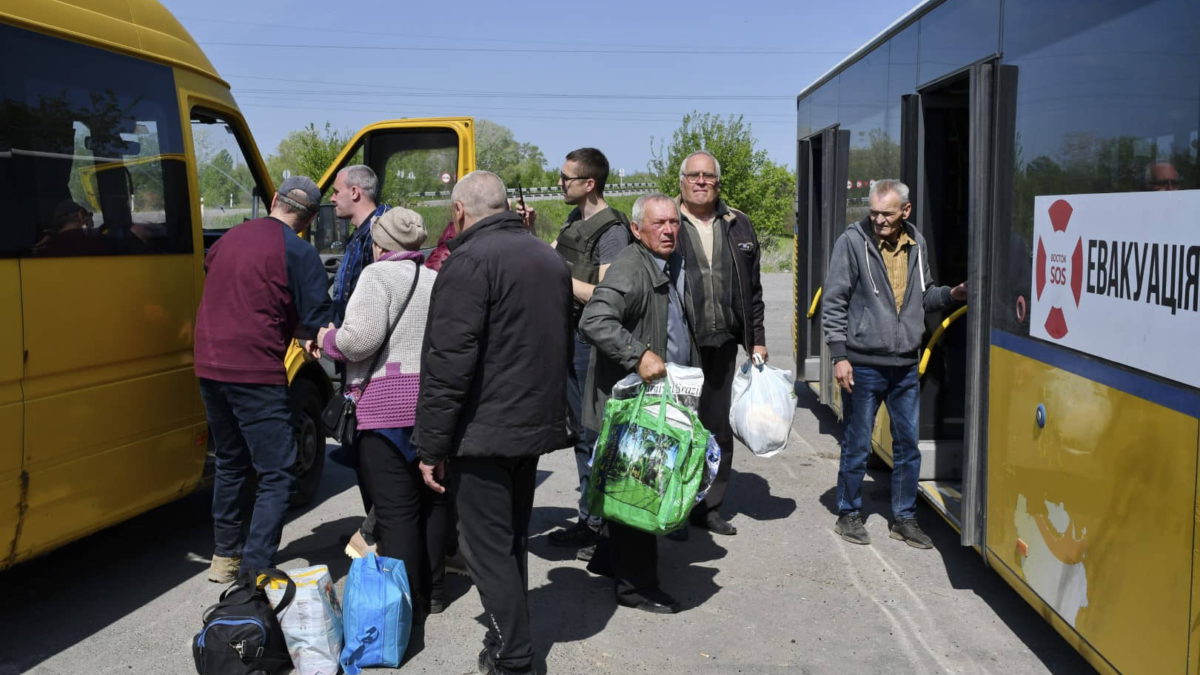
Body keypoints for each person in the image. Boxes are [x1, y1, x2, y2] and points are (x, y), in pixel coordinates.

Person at [414, 170, 572, 675]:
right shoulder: (547, 258)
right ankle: (513, 638)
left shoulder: (470, 262)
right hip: (529, 425)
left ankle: (514, 655)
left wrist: (430, 445)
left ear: (458, 211)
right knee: (507, 540)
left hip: (483, 431)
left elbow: (448, 361)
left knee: (486, 548)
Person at [194, 176, 331, 583]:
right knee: (277, 470)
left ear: (273, 199)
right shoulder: (299, 251)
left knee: (232, 460)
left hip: (209, 364)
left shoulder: (229, 239)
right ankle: (256, 567)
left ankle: (224, 557)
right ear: (307, 219)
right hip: (255, 367)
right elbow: (316, 316)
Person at [316, 207, 449, 615]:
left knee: (396, 511)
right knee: (432, 502)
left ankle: (408, 601)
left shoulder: (376, 276)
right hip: (431, 403)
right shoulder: (436, 279)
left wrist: (326, 338)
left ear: (379, 244)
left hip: (384, 406)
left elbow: (359, 341)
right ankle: (436, 590)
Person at [821, 178, 966, 549]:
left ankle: (904, 518)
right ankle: (848, 513)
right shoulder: (851, 242)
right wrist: (839, 356)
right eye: (873, 213)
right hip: (863, 363)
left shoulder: (917, 243)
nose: (879, 220)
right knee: (857, 444)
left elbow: (924, 295)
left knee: (907, 446)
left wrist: (951, 295)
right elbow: (834, 302)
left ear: (906, 210)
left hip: (905, 365)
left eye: (886, 214)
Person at [579, 193, 697, 614]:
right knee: (640, 491)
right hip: (631, 405)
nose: (668, 230)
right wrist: (638, 355)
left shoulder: (667, 261)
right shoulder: (632, 265)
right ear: (636, 229)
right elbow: (594, 319)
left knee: (628, 486)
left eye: (673, 223)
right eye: (659, 223)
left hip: (656, 398)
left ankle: (609, 559)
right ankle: (637, 588)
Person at [520, 148, 631, 559]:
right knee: (582, 433)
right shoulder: (574, 221)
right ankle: (591, 520)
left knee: (595, 434)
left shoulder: (612, 232)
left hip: (592, 344)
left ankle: (602, 526)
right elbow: (551, 259)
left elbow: (605, 296)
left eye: (566, 178)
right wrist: (530, 236)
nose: (559, 183)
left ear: (589, 184)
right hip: (569, 336)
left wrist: (558, 276)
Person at [674, 150, 766, 537]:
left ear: (718, 182)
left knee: (716, 429)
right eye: (693, 175)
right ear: (681, 181)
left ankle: (709, 506)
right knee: (675, 429)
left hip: (723, 344)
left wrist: (756, 341)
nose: (700, 181)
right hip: (677, 346)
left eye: (707, 176)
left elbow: (754, 289)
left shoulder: (739, 224)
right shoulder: (667, 220)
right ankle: (673, 508)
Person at [328, 164, 390, 558]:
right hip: (356, 354)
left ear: (355, 192)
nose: (331, 198)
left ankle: (379, 533)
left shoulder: (380, 233)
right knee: (362, 450)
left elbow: (377, 305)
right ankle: (375, 528)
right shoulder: (362, 234)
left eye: (335, 191)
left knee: (375, 452)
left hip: (371, 361)